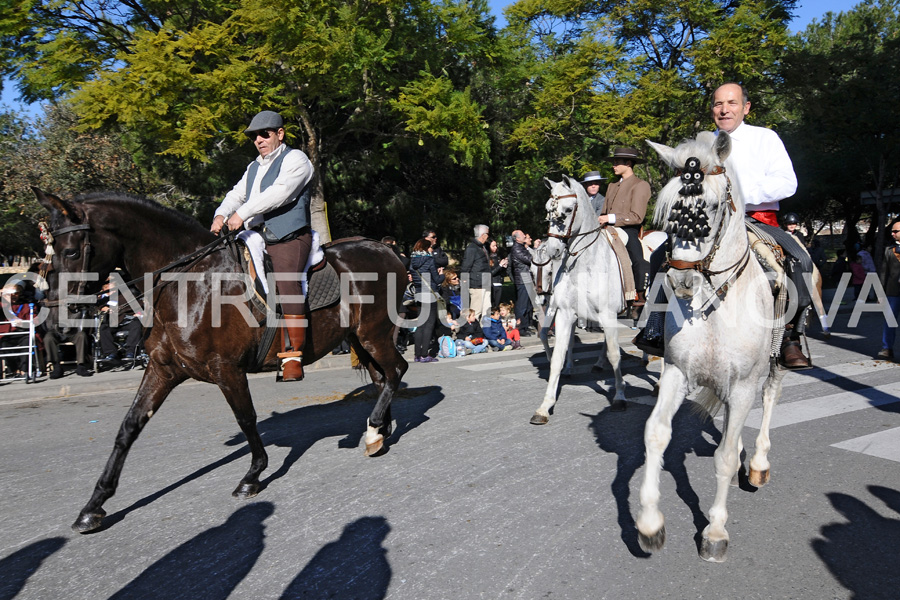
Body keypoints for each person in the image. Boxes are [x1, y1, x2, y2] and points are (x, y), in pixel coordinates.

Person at [639, 83, 812, 369]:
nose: (724, 109)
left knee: (800, 260)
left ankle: (790, 337)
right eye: (718, 104)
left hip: (756, 219)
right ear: (712, 111)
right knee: (661, 256)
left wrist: (742, 198)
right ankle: (656, 329)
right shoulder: (701, 145)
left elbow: (787, 183)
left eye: (732, 103)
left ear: (746, 107)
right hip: (707, 221)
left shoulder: (765, 138)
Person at [210, 110, 314, 382]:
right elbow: (237, 193)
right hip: (257, 235)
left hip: (289, 236)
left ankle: (292, 355)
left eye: (264, 134)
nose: (258, 139)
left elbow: (279, 193)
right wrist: (221, 214)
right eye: (254, 136)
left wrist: (241, 214)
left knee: (287, 281)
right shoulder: (254, 167)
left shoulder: (296, 159)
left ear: (280, 134)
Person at [597, 147, 651, 316]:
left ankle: (639, 296)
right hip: (607, 228)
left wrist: (609, 218)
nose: (613, 165)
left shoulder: (640, 185)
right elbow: (604, 212)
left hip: (628, 230)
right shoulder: (612, 186)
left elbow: (637, 216)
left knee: (637, 259)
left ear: (628, 164)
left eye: (617, 162)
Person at [409, 237, 444, 363]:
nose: (431, 249)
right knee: (429, 324)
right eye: (430, 247)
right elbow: (437, 280)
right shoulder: (429, 260)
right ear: (426, 248)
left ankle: (417, 354)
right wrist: (442, 274)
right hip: (429, 294)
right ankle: (425, 354)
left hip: (418, 293)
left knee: (420, 324)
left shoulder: (412, 261)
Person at [97, 277, 144, 365]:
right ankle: (111, 353)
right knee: (103, 328)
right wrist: (103, 308)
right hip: (112, 322)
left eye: (113, 289)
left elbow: (139, 304)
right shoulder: (102, 299)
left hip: (126, 319)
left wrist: (137, 312)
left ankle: (131, 351)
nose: (112, 291)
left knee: (136, 324)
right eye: (108, 290)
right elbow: (96, 307)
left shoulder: (125, 296)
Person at [460, 224, 493, 323]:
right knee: (476, 311)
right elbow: (466, 266)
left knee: (487, 309)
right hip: (477, 284)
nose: (488, 236)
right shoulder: (472, 248)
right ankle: (473, 333)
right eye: (487, 234)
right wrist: (465, 281)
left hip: (485, 282)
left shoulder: (482, 247)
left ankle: (484, 332)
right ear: (483, 235)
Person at [878, 220, 900, 359]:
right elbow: (884, 273)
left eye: (896, 231)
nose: (892, 234)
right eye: (892, 231)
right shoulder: (889, 250)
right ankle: (887, 348)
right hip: (893, 291)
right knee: (889, 320)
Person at [509, 230, 535, 335]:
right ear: (517, 238)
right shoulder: (516, 248)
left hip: (526, 277)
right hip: (522, 278)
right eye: (523, 234)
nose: (525, 235)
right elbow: (529, 259)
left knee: (528, 305)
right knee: (522, 305)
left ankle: (525, 325)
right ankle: (521, 328)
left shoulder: (521, 247)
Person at [487, 238, 509, 309]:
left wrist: (504, 266)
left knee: (497, 305)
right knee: (492, 306)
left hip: (499, 283)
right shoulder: (488, 258)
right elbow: (490, 273)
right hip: (492, 284)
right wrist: (500, 266)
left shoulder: (498, 256)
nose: (495, 248)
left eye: (496, 246)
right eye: (493, 246)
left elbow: (501, 271)